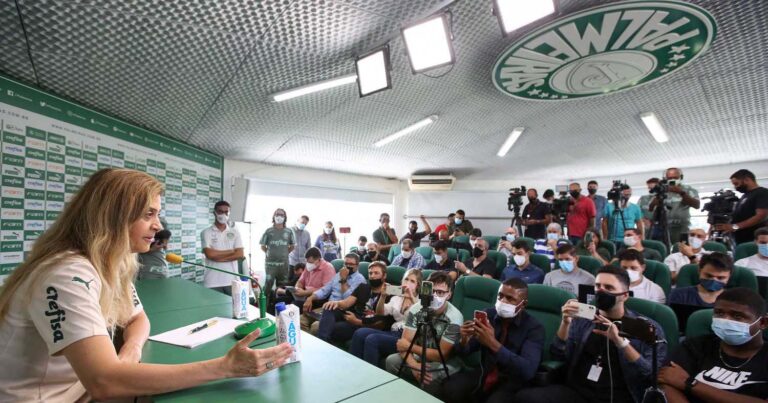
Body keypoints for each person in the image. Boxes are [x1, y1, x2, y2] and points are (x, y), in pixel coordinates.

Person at [0, 168, 291, 401]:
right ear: (112, 218)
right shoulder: (66, 273)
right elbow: (104, 381)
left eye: (157, 214)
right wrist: (225, 368)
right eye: (148, 214)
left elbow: (137, 317)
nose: (158, 225)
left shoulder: (111, 263)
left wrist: (131, 350)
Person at [513, 266, 667, 403]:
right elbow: (559, 354)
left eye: (609, 288)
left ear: (625, 295)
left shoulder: (646, 328)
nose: (601, 291)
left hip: (619, 396)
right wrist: (565, 323)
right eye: (598, 286)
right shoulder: (584, 319)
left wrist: (621, 343)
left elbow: (651, 374)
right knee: (523, 397)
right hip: (578, 391)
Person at [658, 288, 768, 402]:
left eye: (737, 316)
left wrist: (690, 383)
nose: (725, 320)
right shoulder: (695, 346)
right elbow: (665, 381)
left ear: (763, 323)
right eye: (719, 313)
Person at [443, 279, 545, 403]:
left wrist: (492, 343)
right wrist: (464, 340)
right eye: (500, 296)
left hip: (511, 380)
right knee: (450, 388)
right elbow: (465, 351)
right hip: (485, 371)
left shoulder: (534, 328)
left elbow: (528, 370)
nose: (503, 301)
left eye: (510, 298)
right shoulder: (489, 315)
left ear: (523, 304)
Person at [385, 272, 464, 396]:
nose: (435, 296)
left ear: (449, 294)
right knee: (391, 361)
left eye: (440, 292)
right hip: (418, 357)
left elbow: (441, 356)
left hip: (445, 363)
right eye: (432, 291)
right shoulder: (416, 308)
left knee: (428, 376)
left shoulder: (454, 317)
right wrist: (414, 366)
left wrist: (409, 347)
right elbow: (403, 344)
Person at [350, 268, 422, 366]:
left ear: (417, 285)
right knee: (359, 333)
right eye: (406, 279)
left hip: (408, 336)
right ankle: (353, 366)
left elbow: (421, 318)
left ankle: (370, 375)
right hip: (394, 332)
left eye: (412, 281)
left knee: (372, 339)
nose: (408, 283)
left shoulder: (421, 301)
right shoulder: (397, 298)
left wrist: (412, 298)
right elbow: (380, 312)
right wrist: (383, 296)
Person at [303, 253, 366, 337]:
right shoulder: (337, 275)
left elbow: (348, 299)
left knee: (316, 327)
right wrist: (310, 298)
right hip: (327, 307)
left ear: (357, 266)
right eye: (346, 264)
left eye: (351, 264)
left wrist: (343, 279)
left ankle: (320, 346)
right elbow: (324, 290)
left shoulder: (360, 279)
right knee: (301, 320)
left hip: (341, 310)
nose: (347, 266)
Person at [329, 263, 389, 344]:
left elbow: (381, 323)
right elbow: (346, 303)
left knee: (336, 327)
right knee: (329, 308)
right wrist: (336, 303)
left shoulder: (388, 293)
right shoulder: (363, 287)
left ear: (384, 276)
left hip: (364, 323)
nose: (372, 276)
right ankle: (322, 338)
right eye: (370, 273)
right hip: (353, 315)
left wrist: (356, 321)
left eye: (376, 273)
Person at [649, 167, 700, 247]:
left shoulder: (689, 189)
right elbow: (650, 208)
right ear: (665, 179)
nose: (672, 180)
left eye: (675, 178)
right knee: (664, 251)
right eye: (669, 178)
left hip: (682, 228)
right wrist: (658, 197)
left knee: (682, 251)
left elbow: (697, 205)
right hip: (663, 228)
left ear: (681, 177)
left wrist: (681, 193)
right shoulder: (662, 189)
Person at [202, 200, 245, 295]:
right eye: (220, 211)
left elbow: (240, 254)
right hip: (212, 281)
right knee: (213, 309)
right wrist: (231, 251)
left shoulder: (235, 232)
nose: (223, 214)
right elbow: (210, 255)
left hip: (232, 280)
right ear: (214, 213)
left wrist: (217, 257)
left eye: (226, 212)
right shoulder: (206, 232)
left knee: (233, 309)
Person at [715, 169, 768, 245]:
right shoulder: (745, 196)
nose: (735, 187)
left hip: (754, 238)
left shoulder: (762, 192)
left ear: (747, 179)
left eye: (736, 183)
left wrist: (735, 227)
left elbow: (761, 215)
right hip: (741, 239)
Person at [668, 252, 733, 308]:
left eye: (720, 278)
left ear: (729, 276)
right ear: (699, 271)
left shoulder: (734, 300)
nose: (714, 280)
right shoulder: (679, 295)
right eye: (709, 276)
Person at [260, 208, 295, 298]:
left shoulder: (289, 231)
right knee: (268, 285)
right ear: (274, 216)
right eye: (277, 214)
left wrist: (284, 253)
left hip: (283, 265)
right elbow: (263, 246)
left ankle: (279, 307)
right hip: (270, 264)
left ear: (285, 217)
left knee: (282, 287)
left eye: (282, 215)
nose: (279, 216)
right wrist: (270, 253)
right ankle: (263, 307)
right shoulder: (269, 231)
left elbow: (293, 246)